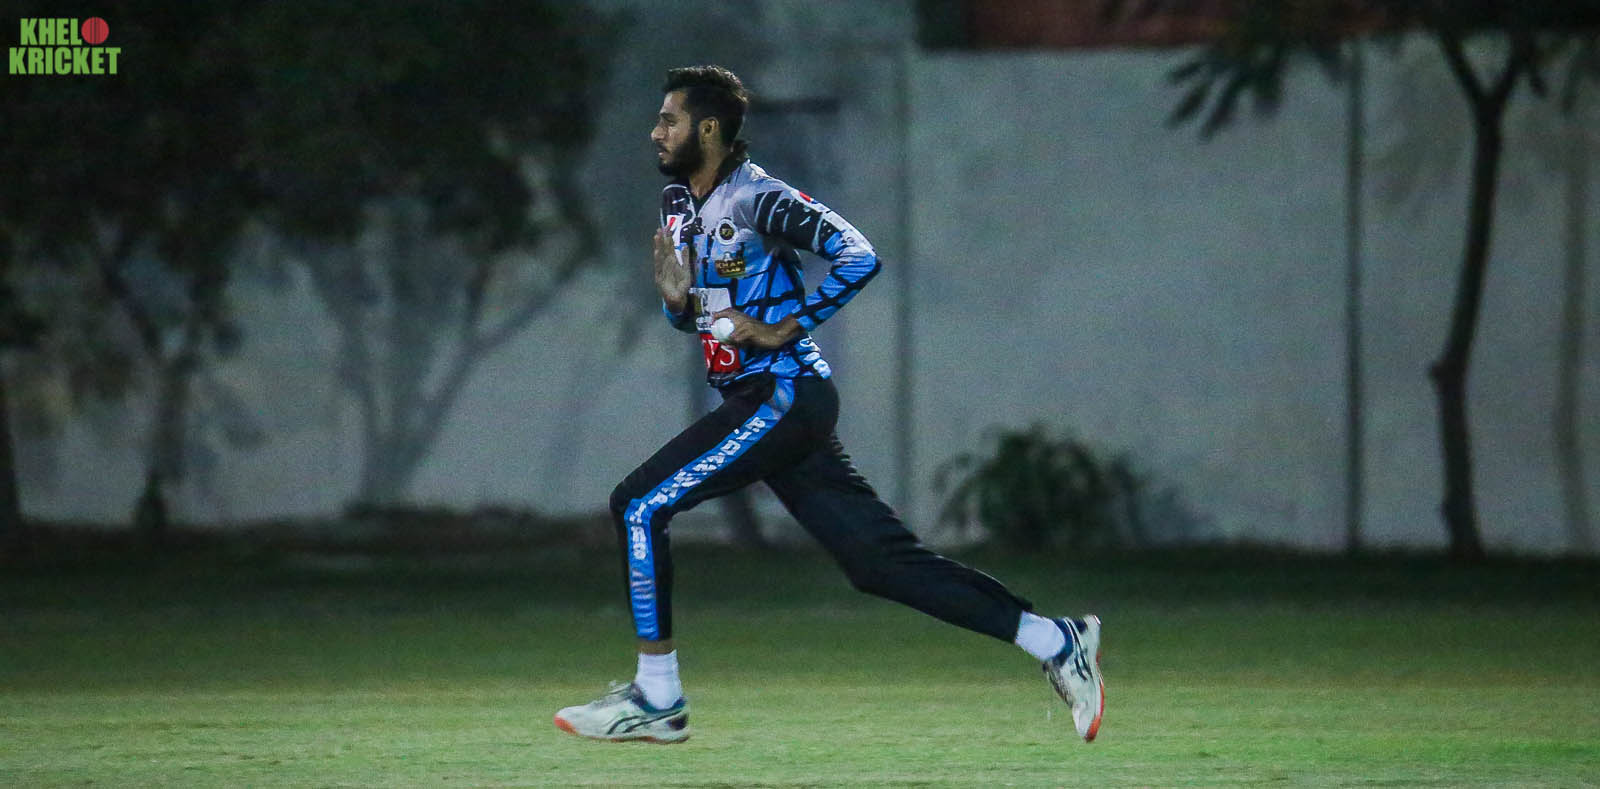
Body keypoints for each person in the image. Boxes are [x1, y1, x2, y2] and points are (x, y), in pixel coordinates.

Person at [553, 65, 1103, 745]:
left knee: (639, 504)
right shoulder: (677, 204)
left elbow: (858, 255)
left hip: (783, 393)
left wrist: (786, 326)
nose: (655, 132)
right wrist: (676, 302)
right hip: (767, 401)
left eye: (669, 120)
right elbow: (702, 317)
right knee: (877, 563)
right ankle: (1057, 640)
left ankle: (657, 698)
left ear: (709, 129)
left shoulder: (758, 198)